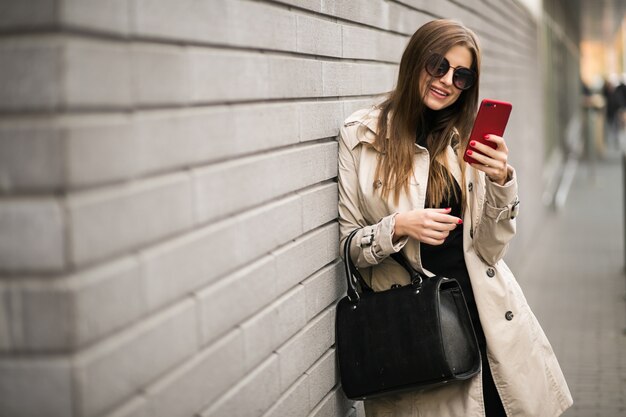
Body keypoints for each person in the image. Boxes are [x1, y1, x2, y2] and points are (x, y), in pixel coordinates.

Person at [337, 19, 573, 417]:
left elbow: (491, 249)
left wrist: (501, 182)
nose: (446, 80)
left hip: (487, 321)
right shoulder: (361, 137)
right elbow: (349, 246)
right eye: (437, 65)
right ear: (415, 60)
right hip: (420, 331)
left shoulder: (466, 141)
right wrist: (398, 228)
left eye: (461, 75)